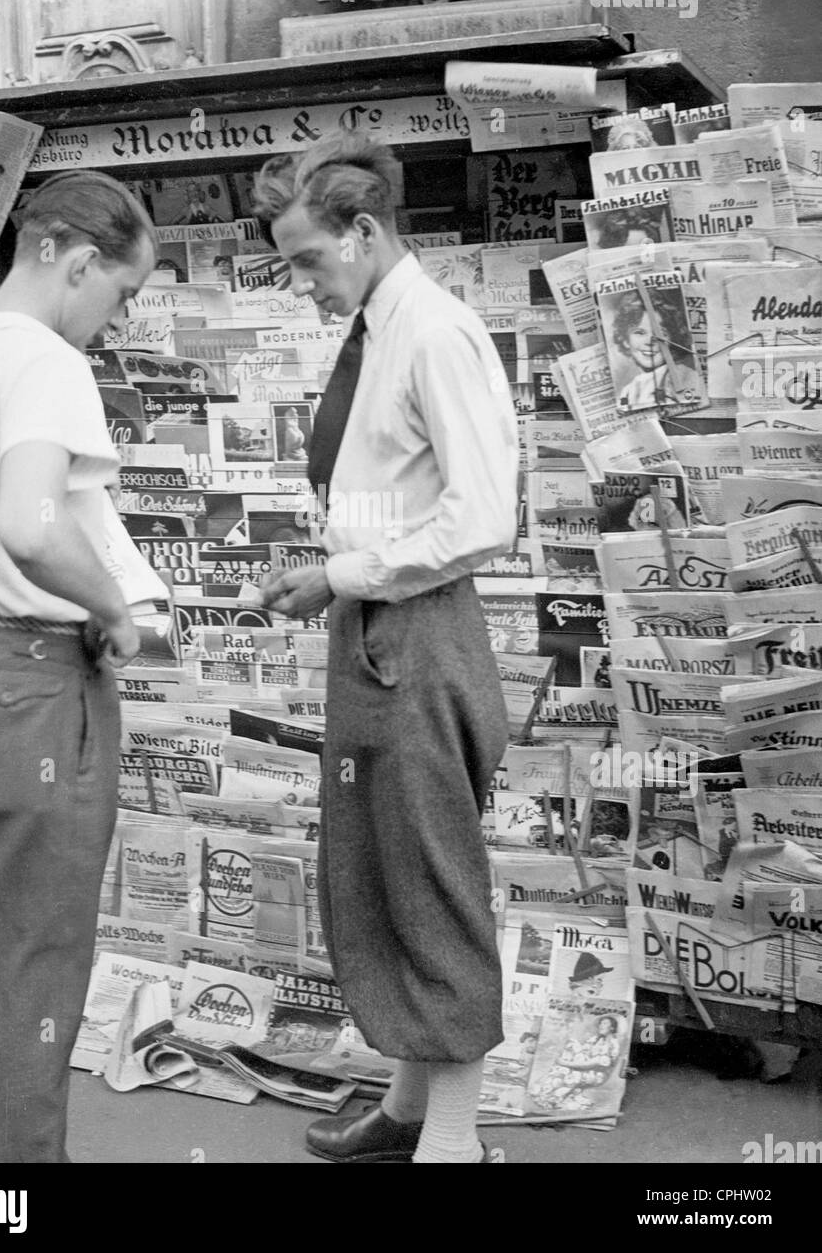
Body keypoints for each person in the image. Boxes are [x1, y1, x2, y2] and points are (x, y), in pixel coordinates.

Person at [253, 132, 519, 1164]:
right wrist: (331, 568)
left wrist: (344, 576)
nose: (301, 284)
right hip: (372, 628)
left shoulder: (437, 333)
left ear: (364, 233)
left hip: (416, 632)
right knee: (381, 871)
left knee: (432, 876)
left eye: (310, 259)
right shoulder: (380, 328)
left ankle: (450, 1144)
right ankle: (409, 1110)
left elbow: (482, 517)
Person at [0, 170, 157, 1163]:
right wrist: (113, 608)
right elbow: (29, 524)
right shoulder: (49, 366)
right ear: (76, 259)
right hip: (32, 697)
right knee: (38, 987)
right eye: (121, 292)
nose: (116, 316)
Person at [609, 289, 702, 412]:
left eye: (659, 333)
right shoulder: (628, 390)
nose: (649, 341)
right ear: (626, 340)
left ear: (672, 338)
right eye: (639, 332)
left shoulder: (684, 376)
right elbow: (623, 410)